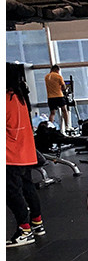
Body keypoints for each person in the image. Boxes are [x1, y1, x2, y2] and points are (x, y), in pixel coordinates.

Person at [7, 72, 45, 246]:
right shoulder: (19, 96)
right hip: (25, 152)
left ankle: (24, 230)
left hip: (11, 155)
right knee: (28, 188)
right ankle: (37, 223)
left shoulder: (6, 98)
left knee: (11, 193)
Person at [44, 64, 70, 133]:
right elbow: (64, 87)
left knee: (52, 113)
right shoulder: (58, 76)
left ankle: (50, 127)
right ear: (56, 70)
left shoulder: (46, 77)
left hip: (50, 97)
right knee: (64, 110)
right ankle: (67, 126)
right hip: (59, 96)